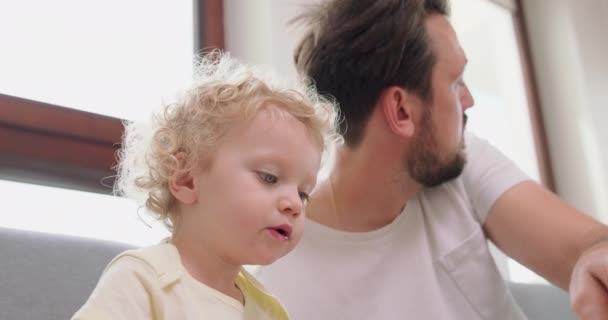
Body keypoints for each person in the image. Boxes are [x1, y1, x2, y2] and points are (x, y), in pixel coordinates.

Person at [256, 0, 608, 319]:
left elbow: (585, 247)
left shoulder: (459, 162)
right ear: (401, 110)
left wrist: (594, 256)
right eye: (456, 84)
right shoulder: (279, 288)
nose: (468, 100)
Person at [72, 52, 339, 320]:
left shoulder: (269, 310)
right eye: (269, 177)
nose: (294, 204)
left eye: (303, 193)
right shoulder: (141, 280)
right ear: (186, 179)